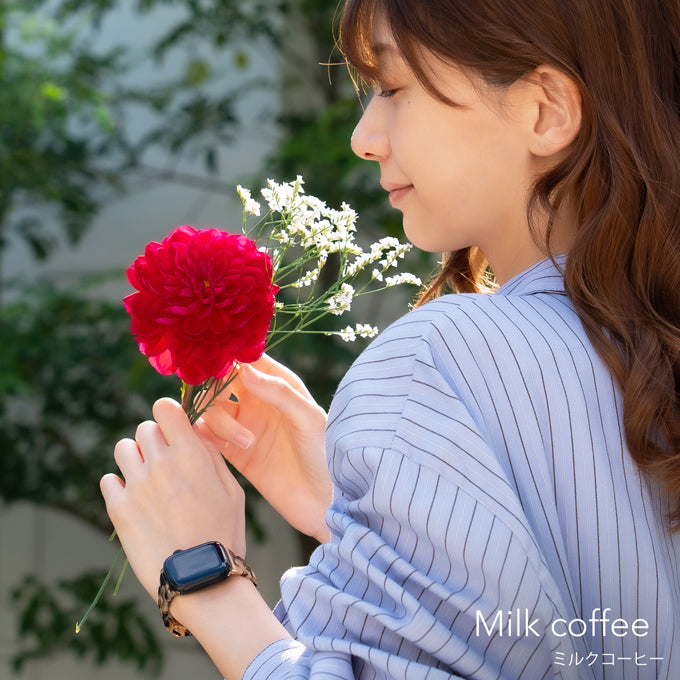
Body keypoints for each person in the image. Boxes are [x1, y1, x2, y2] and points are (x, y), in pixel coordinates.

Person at [100, 0, 680, 678]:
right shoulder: (647, 349)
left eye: (395, 86)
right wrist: (362, 501)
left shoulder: (440, 359)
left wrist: (201, 573)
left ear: (546, 110)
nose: (364, 137)